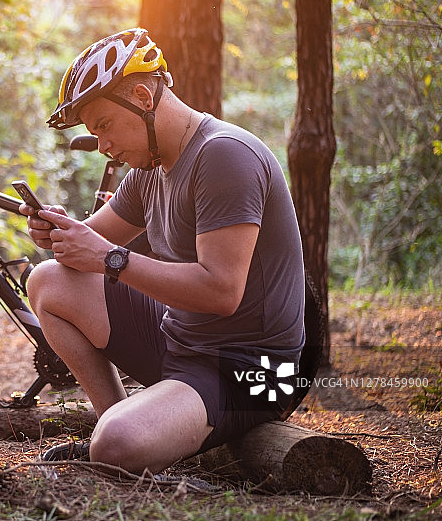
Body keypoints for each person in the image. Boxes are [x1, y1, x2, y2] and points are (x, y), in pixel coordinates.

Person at [20, 28, 305, 474]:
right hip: (178, 341)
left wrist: (110, 257)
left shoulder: (224, 156)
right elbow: (83, 251)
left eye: (105, 127)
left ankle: (120, 434)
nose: (104, 147)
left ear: (142, 96)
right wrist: (58, 233)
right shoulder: (150, 169)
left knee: (117, 445)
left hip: (251, 371)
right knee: (47, 280)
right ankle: (113, 417)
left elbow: (220, 291)